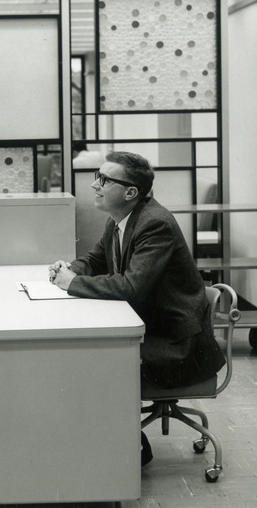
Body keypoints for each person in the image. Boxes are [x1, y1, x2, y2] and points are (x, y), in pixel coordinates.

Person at [49, 151, 225, 466]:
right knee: (86, 353)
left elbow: (131, 288)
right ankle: (116, 440)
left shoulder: (155, 224)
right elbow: (94, 261)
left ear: (131, 193)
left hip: (177, 344)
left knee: (94, 357)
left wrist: (70, 284)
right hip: (152, 329)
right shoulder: (119, 219)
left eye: (104, 179)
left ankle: (132, 447)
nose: (94, 185)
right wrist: (69, 269)